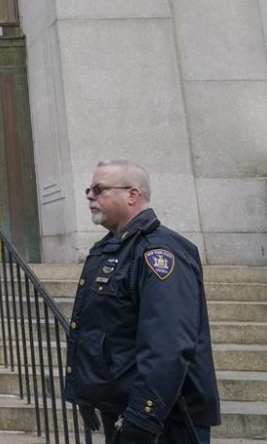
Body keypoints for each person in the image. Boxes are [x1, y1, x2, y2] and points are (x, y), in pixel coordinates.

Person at [64, 160, 220, 444]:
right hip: (123, 410)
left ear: (132, 195)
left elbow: (167, 344)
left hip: (164, 419)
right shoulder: (111, 249)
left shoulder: (160, 252)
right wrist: (89, 390)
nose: (89, 195)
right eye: (89, 189)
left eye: (99, 189)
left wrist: (143, 416)